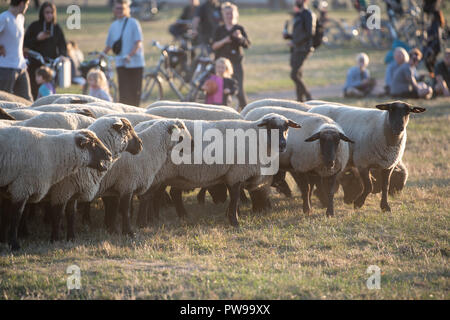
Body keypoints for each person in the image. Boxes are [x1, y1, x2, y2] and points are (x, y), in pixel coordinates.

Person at [103, 0, 145, 107]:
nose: (119, 11)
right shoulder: (113, 26)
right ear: (114, 10)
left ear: (127, 9)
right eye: (117, 8)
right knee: (124, 94)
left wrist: (129, 55)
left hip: (135, 64)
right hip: (121, 63)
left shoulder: (133, 23)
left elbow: (138, 43)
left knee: (135, 93)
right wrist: (100, 56)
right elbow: (109, 45)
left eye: (122, 8)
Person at [24, 1, 67, 100]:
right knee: (34, 90)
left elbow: (62, 44)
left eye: (51, 13)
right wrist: (38, 38)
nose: (49, 15)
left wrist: (62, 55)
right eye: (47, 12)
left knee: (50, 89)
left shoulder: (56, 28)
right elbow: (25, 44)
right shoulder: (34, 26)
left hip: (50, 66)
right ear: (42, 13)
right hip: (36, 65)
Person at [211, 2, 250, 110]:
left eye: (231, 13)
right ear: (223, 15)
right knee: (220, 90)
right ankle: (221, 112)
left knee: (239, 90)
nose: (229, 16)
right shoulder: (219, 29)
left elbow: (247, 45)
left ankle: (246, 112)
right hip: (221, 65)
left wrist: (240, 37)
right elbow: (213, 46)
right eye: (227, 14)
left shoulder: (239, 28)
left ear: (235, 14)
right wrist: (225, 40)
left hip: (236, 63)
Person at [0, 0, 33, 101]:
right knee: (5, 101)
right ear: (22, 3)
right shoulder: (4, 18)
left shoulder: (21, 18)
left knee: (27, 100)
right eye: (27, 4)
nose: (27, 7)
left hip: (21, 66)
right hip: (6, 67)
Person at [283, 0, 315, 102]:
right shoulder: (298, 14)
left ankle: (308, 96)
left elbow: (310, 33)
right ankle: (300, 100)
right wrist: (288, 36)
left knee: (294, 75)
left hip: (304, 49)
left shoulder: (308, 14)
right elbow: (299, 34)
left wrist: (295, 42)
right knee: (298, 75)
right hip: (296, 49)